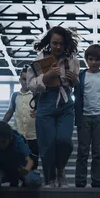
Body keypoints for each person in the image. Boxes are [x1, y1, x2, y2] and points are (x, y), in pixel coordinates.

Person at [26, 26, 80, 188]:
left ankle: (60, 170)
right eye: (55, 43)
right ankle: (50, 178)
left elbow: (77, 86)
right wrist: (46, 77)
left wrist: (75, 82)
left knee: (64, 141)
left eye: (61, 44)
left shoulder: (72, 59)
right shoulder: (39, 60)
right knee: (47, 144)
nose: (58, 47)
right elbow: (31, 85)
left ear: (66, 44)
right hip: (45, 102)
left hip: (65, 102)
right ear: (49, 42)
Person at [73, 44, 100, 188]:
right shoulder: (81, 76)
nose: (94, 62)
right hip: (84, 117)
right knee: (82, 152)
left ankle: (97, 182)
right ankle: (80, 182)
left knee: (98, 152)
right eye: (91, 59)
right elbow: (76, 96)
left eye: (97, 60)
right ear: (86, 60)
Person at [3, 65, 39, 171]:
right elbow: (10, 111)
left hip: (33, 136)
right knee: (16, 163)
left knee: (33, 165)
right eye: (24, 79)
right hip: (17, 135)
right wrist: (2, 124)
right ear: (20, 80)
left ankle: (29, 182)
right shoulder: (15, 95)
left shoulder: (36, 94)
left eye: (29, 79)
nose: (26, 81)